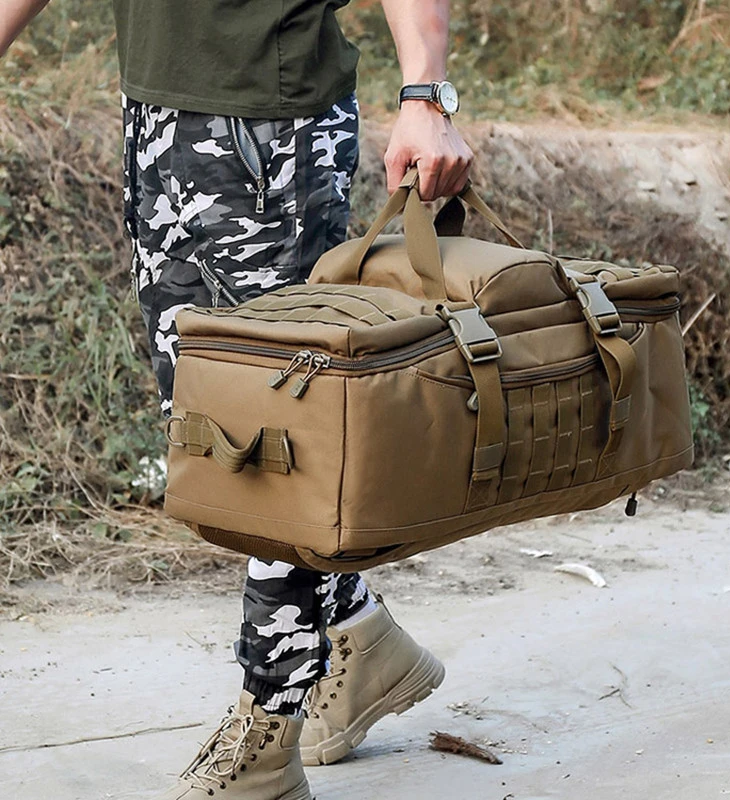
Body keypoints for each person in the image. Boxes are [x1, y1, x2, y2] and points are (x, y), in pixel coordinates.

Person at [2, 1, 473, 797]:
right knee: (212, 426)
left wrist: (426, 95)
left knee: (281, 444)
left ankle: (266, 738)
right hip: (158, 117)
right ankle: (360, 639)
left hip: (269, 130)